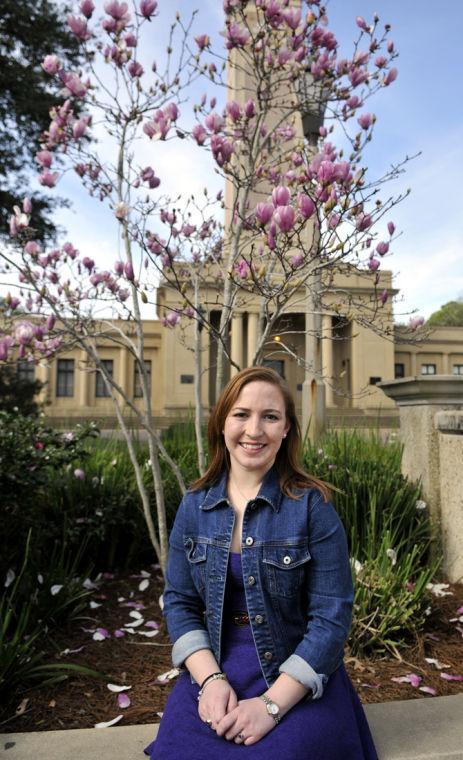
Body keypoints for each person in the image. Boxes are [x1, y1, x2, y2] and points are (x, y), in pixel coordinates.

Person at [145, 367, 378, 759]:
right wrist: (211, 681)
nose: (254, 430)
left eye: (270, 417)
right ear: (222, 423)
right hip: (214, 669)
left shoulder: (312, 508)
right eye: (241, 414)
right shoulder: (194, 506)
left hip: (295, 674)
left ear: (286, 429)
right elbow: (181, 604)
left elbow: (331, 619)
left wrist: (271, 706)